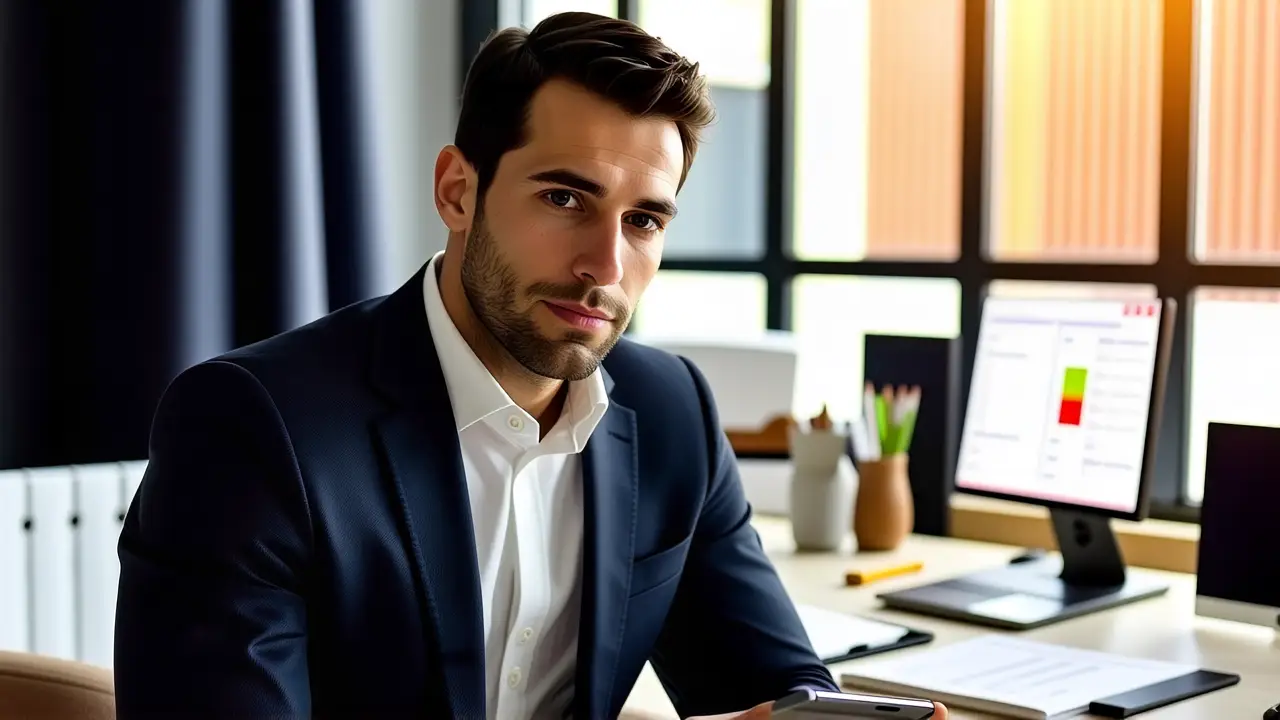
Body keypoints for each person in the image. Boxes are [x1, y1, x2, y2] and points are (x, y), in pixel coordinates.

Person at [113, 11, 946, 720]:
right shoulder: (251, 426)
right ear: (457, 191)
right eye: (564, 198)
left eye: (644, 221)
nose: (605, 266)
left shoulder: (673, 413)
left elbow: (774, 685)